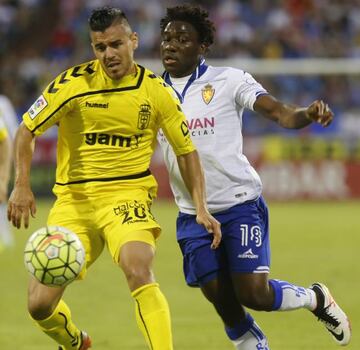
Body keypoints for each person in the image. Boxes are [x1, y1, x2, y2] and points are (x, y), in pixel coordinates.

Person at [7, 6, 221, 350]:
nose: (109, 54)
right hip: (74, 202)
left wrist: (201, 207)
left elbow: (186, 151)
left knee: (138, 269)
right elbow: (27, 129)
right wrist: (21, 184)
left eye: (116, 44)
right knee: (39, 305)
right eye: (100, 47)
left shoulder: (156, 92)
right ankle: (76, 342)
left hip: (127, 197)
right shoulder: (71, 85)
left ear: (133, 41)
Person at [157, 4, 351, 349]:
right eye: (167, 38)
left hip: (238, 203)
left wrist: (306, 113)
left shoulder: (229, 80)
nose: (171, 45)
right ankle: (252, 342)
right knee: (217, 293)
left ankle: (315, 299)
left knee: (253, 293)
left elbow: (278, 112)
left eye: (182, 39)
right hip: (192, 212)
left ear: (203, 47)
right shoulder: (151, 92)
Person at [0, 94, 18, 251]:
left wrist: (3, 178)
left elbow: (10, 130)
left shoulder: (3, 102)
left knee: (1, 195)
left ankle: (5, 235)